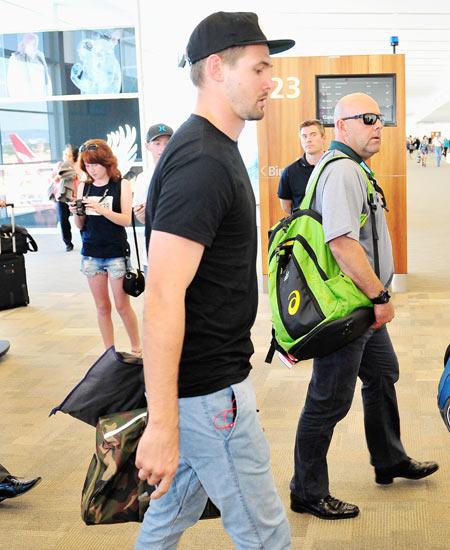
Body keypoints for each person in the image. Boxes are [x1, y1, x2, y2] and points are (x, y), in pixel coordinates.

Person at [134, 11, 294, 549]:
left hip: (204, 387)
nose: (271, 80)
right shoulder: (202, 159)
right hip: (208, 394)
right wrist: (161, 425)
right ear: (216, 68)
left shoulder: (214, 150)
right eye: (259, 67)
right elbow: (161, 296)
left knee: (165, 521)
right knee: (267, 536)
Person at [290, 93, 438, 521]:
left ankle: (388, 458)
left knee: (382, 372)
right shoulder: (341, 172)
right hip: (349, 307)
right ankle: (307, 490)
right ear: (342, 126)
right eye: (367, 118)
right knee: (328, 400)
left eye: (381, 118)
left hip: (359, 305)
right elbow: (341, 243)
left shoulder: (354, 168)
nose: (378, 126)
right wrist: (380, 296)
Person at [71, 139, 141, 356]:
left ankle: (137, 348)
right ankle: (108, 352)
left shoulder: (121, 185)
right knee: (102, 307)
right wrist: (77, 212)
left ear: (106, 162)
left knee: (122, 306)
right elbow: (80, 226)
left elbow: (126, 220)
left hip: (116, 252)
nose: (92, 169)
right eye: (88, 165)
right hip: (91, 252)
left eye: (95, 164)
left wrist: (102, 209)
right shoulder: (84, 186)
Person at [133, 123, 173, 275]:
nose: (162, 148)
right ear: (147, 146)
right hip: (153, 252)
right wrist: (143, 213)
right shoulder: (143, 178)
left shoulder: (183, 174)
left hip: (180, 252)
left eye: (167, 143)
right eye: (157, 143)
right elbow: (141, 217)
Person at [278, 119, 326, 215]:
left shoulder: (334, 166)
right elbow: (286, 206)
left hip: (331, 226)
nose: (308, 139)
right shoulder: (289, 172)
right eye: (304, 136)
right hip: (304, 228)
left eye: (313, 135)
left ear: (323, 138)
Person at [49, 144, 80, 251]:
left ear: (74, 157)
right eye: (65, 154)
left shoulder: (78, 166)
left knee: (82, 218)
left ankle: (86, 240)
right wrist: (59, 175)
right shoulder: (58, 165)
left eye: (69, 155)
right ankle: (68, 243)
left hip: (75, 196)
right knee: (63, 220)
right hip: (61, 196)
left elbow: (81, 180)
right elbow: (52, 180)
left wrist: (73, 174)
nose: (66, 157)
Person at [7, 33, 52, 97]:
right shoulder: (15, 58)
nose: (34, 47)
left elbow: (46, 79)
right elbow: (13, 81)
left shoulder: (40, 59)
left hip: (41, 96)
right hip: (25, 96)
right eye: (31, 44)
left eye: (35, 45)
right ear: (24, 45)